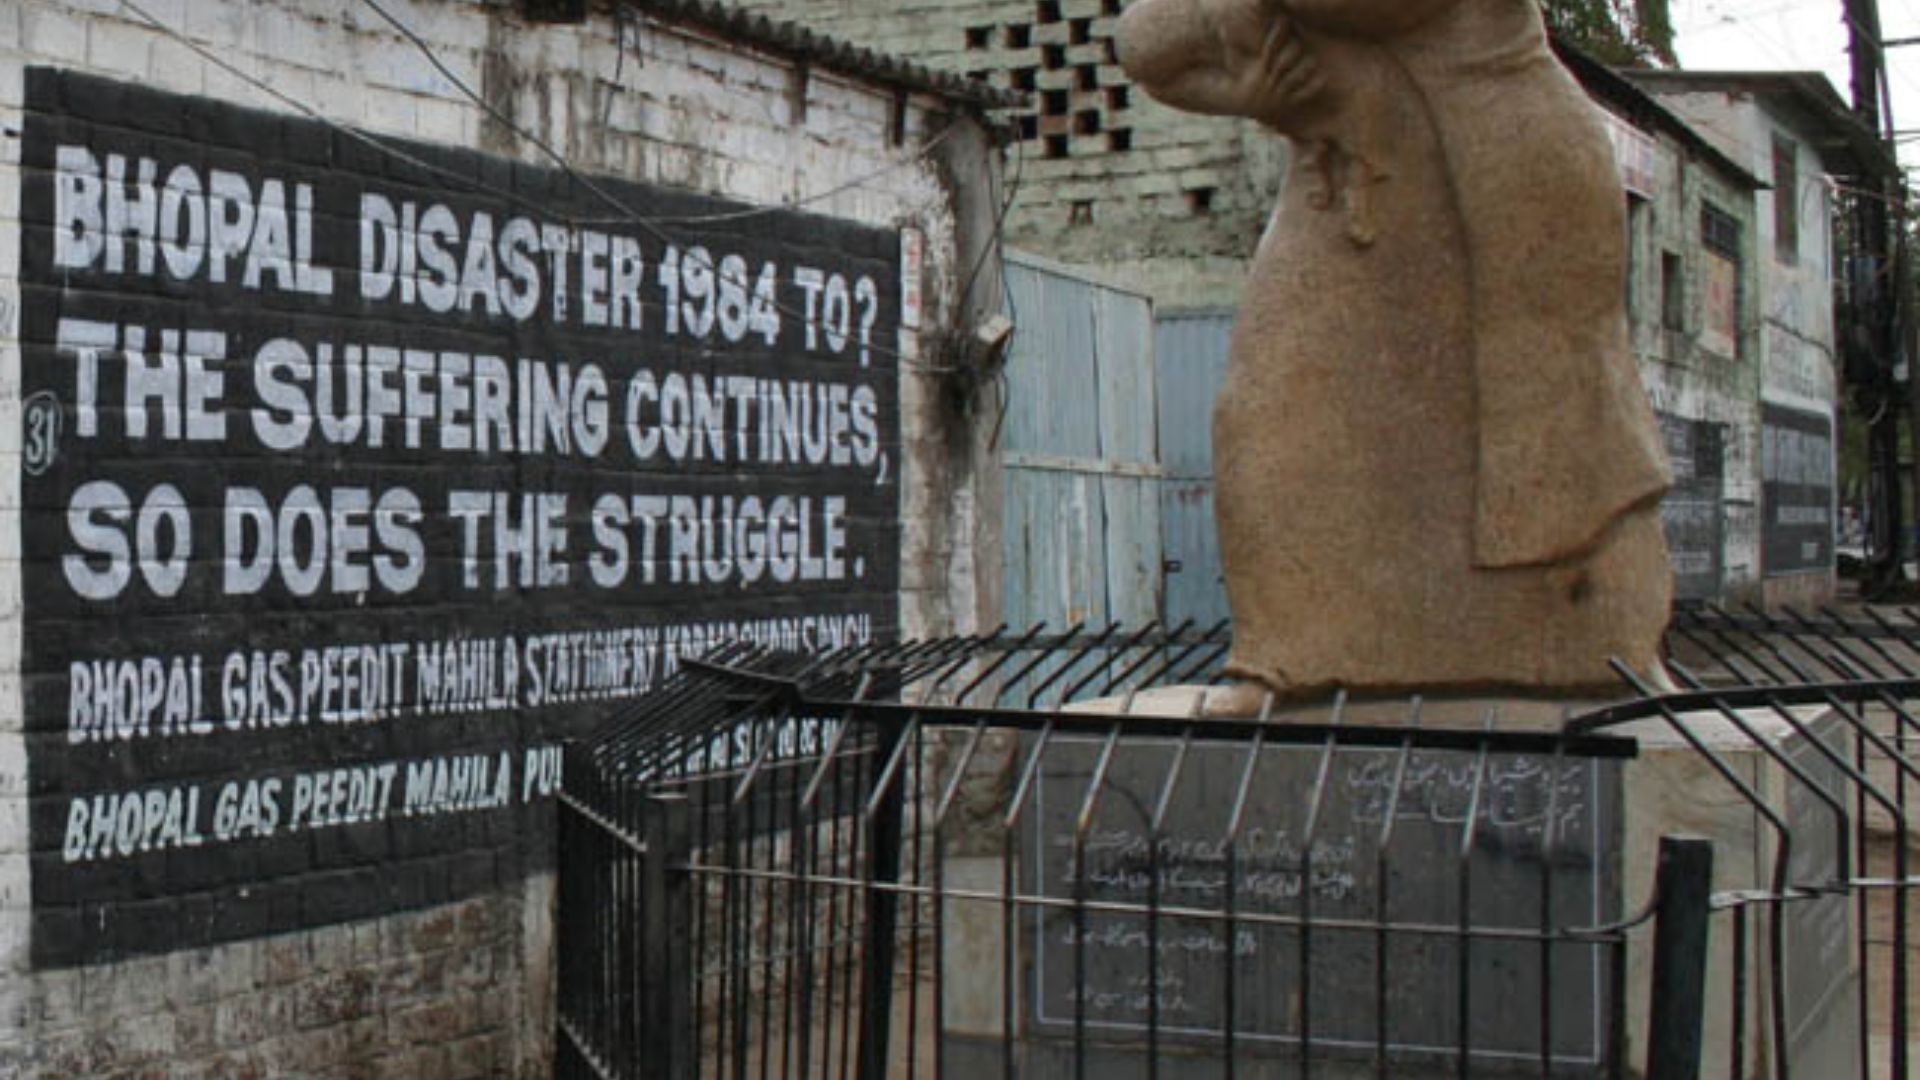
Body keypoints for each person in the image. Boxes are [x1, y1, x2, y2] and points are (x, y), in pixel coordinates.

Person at [1118, 0, 1674, 703]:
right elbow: (1144, 42)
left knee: (1553, 435)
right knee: (1274, 413)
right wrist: (1246, 95)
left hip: (1507, 172)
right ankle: (1288, 656)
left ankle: (1601, 647)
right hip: (1349, 181)